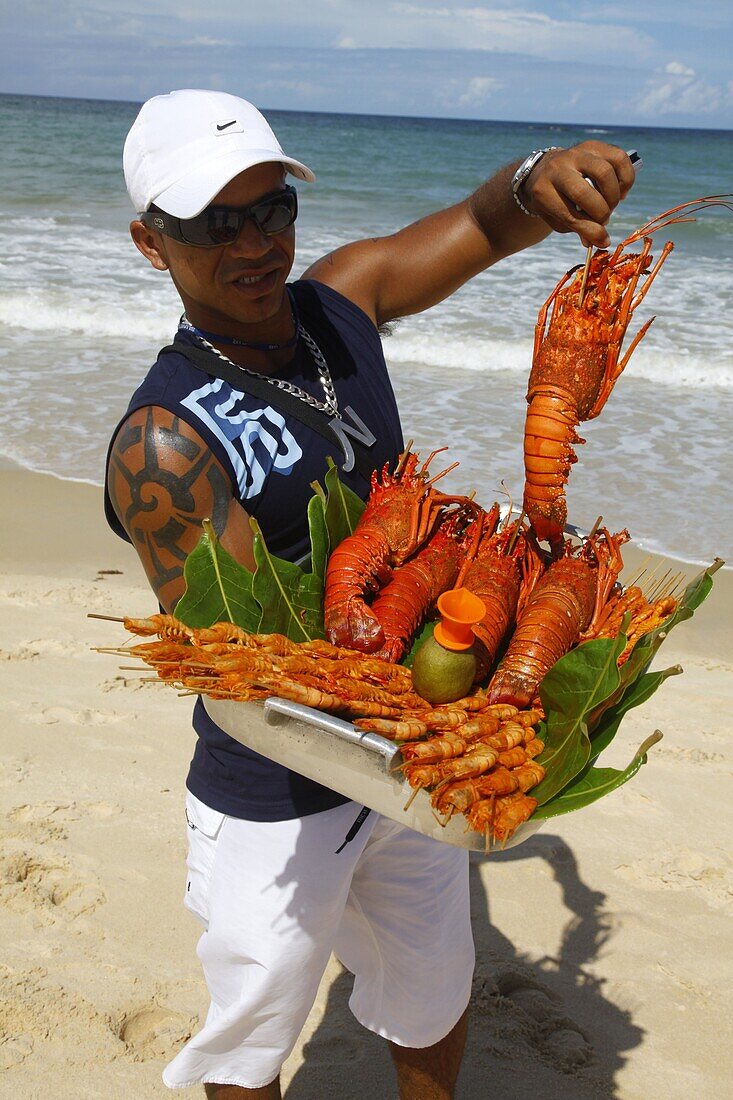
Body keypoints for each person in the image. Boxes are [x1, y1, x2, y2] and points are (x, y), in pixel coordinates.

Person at [105, 88, 636, 1099]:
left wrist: (541, 178)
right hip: (277, 786)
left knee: (433, 984)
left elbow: (486, 221)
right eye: (217, 221)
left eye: (272, 209)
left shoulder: (338, 303)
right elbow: (246, 663)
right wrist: (464, 703)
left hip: (410, 768)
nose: (256, 241)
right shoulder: (163, 444)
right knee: (255, 1028)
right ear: (149, 240)